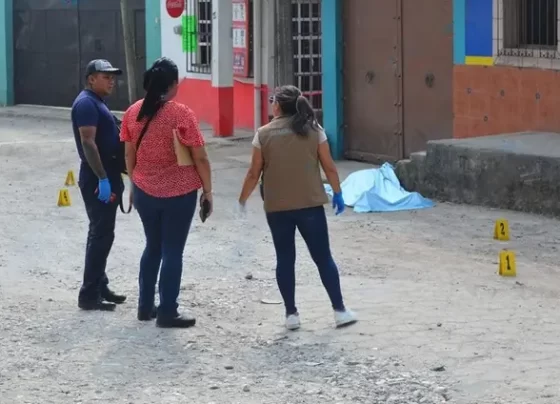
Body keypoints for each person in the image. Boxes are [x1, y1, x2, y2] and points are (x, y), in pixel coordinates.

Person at [237, 85, 357, 330]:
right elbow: (329, 166)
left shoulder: (263, 134)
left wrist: (242, 199)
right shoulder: (314, 130)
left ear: (278, 106)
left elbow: (253, 173)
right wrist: (337, 192)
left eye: (273, 100)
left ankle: (291, 315)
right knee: (323, 258)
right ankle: (339, 311)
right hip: (310, 205)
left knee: (284, 258)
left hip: (277, 207)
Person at [120, 57, 213, 329]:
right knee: (172, 250)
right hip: (179, 194)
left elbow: (129, 153)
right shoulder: (181, 114)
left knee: (152, 247)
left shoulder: (132, 112)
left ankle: (145, 306)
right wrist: (208, 191)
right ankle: (168, 311)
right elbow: (200, 157)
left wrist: (134, 184)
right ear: (172, 84)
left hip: (144, 192)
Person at [71, 59, 127, 311]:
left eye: (113, 77)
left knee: (102, 234)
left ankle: (100, 285)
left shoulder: (97, 101)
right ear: (91, 79)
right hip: (97, 178)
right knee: (100, 235)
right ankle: (89, 295)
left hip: (107, 174)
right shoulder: (86, 103)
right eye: (106, 76)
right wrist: (103, 178)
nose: (111, 81)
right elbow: (88, 142)